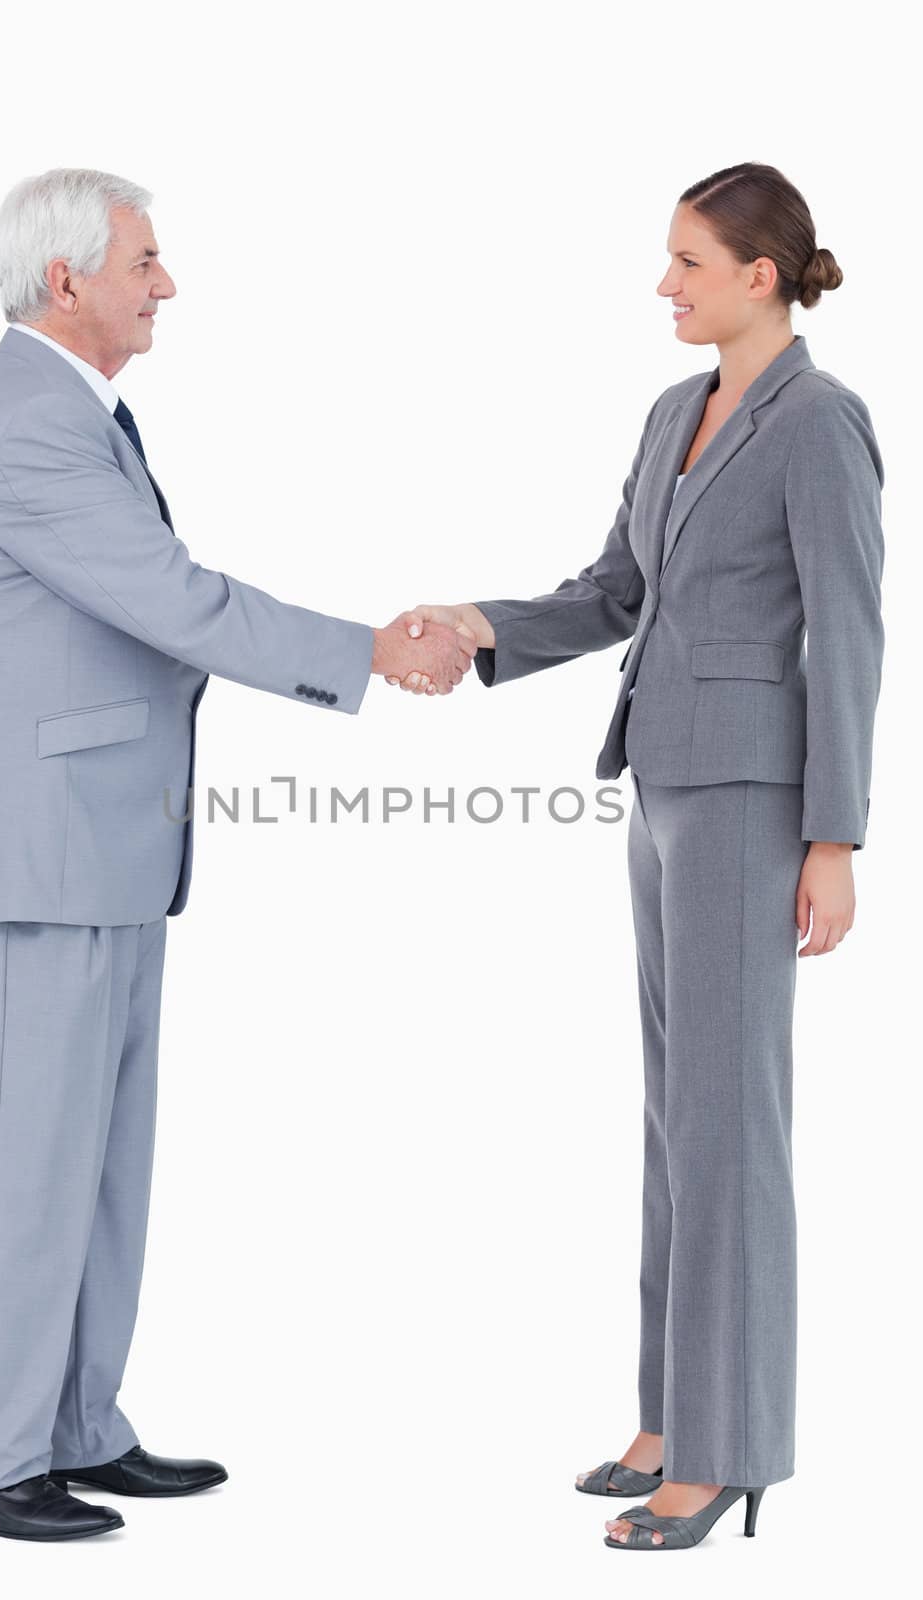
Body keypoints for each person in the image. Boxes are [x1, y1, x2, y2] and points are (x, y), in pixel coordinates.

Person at [0, 166, 477, 1542]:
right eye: (145, 261)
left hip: (104, 847)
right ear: (68, 281)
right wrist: (364, 650)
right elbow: (171, 601)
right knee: (21, 1168)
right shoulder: (28, 426)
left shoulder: (74, 415)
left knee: (100, 1165)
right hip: (40, 853)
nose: (165, 285)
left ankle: (74, 1427)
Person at [393, 162, 885, 1552]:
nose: (663, 284)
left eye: (685, 260)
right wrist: (482, 626)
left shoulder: (821, 424)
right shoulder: (679, 410)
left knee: (733, 1125)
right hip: (660, 785)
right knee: (678, 1118)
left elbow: (849, 636)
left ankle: (731, 1448)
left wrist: (834, 838)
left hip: (750, 798)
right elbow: (616, 591)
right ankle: (674, 1409)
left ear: (760, 275)